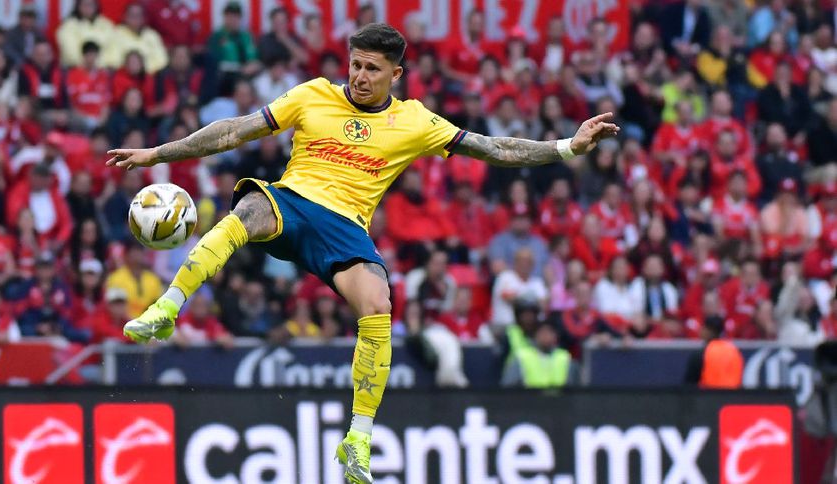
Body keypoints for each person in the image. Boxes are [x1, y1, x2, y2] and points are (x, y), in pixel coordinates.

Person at [105, 23, 618, 482]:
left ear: (396, 74)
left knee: (378, 303)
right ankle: (168, 307)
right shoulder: (312, 95)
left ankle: (359, 438)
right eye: (355, 64)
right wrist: (159, 154)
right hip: (292, 202)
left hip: (345, 228)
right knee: (246, 213)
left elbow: (493, 148)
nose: (360, 76)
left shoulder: (415, 121)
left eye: (372, 68)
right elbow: (235, 130)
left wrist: (566, 148)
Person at [683, 316, 743, 388]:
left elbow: (689, 386)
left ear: (707, 330)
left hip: (708, 394)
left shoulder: (700, 354)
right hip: (733, 394)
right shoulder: (735, 352)